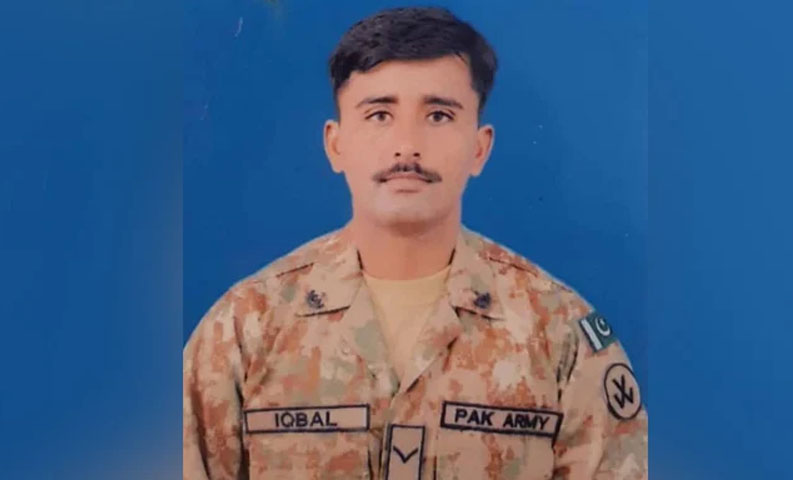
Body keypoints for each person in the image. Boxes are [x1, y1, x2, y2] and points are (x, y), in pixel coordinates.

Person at [183, 6, 647, 480]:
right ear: (336, 144)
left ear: (480, 148)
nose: (407, 145)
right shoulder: (243, 330)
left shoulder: (563, 336)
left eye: (439, 115)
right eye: (379, 114)